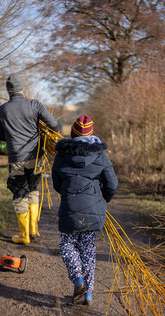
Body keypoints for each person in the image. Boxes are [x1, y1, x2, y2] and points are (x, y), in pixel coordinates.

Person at [52, 114, 118, 305]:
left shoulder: (62, 155)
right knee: (88, 249)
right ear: (91, 134)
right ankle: (88, 294)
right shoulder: (100, 155)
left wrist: (68, 194)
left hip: (70, 209)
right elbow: (112, 185)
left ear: (72, 134)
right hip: (93, 212)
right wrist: (101, 201)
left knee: (67, 245)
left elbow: (57, 184)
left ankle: (78, 279)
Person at [0, 75, 61, 244]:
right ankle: (34, 229)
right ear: (21, 89)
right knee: (33, 188)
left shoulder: (2, 110)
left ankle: (24, 235)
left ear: (8, 91)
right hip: (36, 157)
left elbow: (1, 137)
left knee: (19, 192)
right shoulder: (35, 105)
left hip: (16, 159)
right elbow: (54, 124)